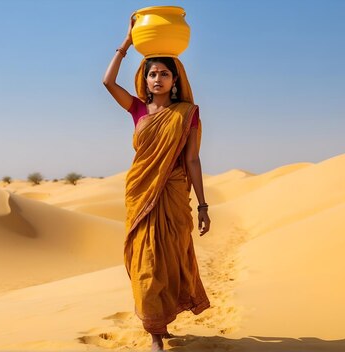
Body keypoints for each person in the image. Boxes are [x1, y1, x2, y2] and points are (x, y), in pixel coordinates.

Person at [102, 15, 211, 351]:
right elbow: (107, 83)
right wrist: (127, 43)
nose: (158, 78)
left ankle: (164, 321)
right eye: (152, 73)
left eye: (165, 73)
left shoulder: (187, 112)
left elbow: (192, 159)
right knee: (146, 263)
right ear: (145, 79)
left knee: (171, 262)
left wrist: (203, 205)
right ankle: (154, 333)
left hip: (175, 195)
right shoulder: (137, 110)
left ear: (174, 79)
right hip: (141, 193)